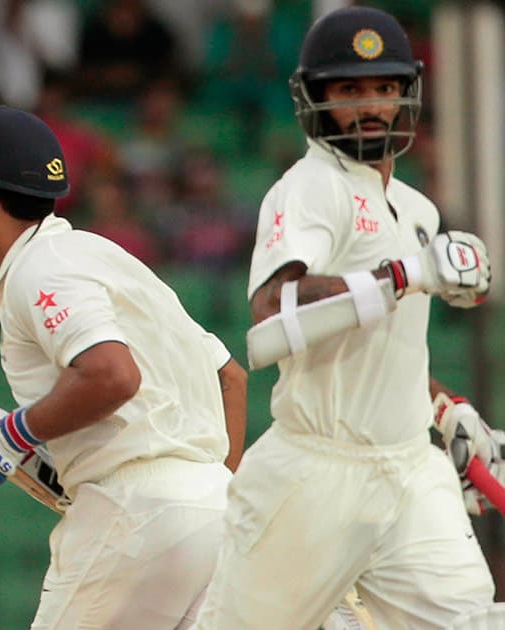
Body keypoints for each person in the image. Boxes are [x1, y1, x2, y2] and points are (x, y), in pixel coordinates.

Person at [194, 7, 500, 629]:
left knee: (468, 622)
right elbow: (273, 306)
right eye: (349, 89)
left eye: (385, 88)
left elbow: (392, 348)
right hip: (315, 473)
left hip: (409, 468)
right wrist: (405, 276)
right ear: (315, 98)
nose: (370, 105)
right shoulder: (310, 186)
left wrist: (446, 408)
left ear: (406, 95)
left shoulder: (416, 209)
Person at [0, 105, 248, 629]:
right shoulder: (101, 253)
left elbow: (113, 375)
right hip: (218, 506)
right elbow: (231, 377)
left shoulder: (38, 268)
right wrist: (201, 501)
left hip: (135, 512)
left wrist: (14, 433)